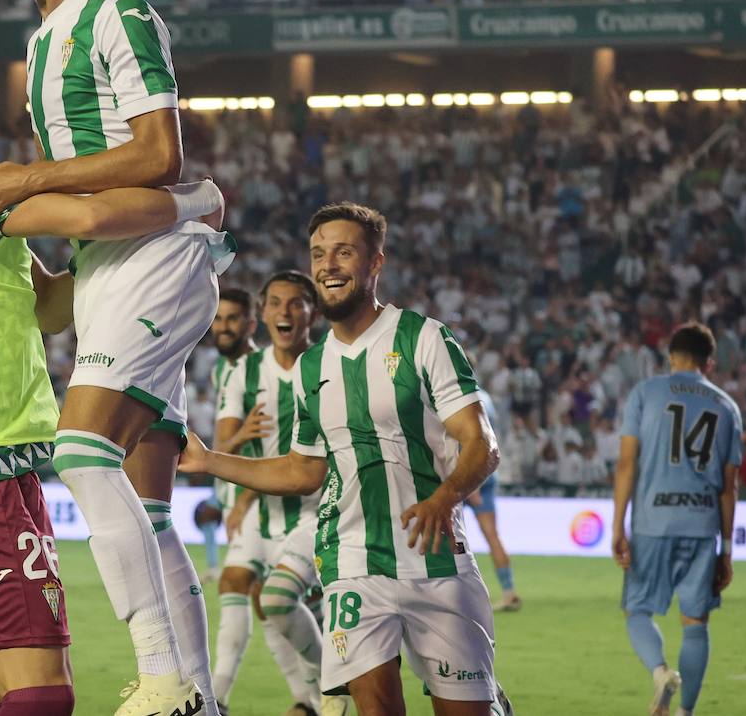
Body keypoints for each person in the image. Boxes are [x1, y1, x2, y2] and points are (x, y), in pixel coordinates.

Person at [0, 58, 224, 716]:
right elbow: (88, 219)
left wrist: (111, 274)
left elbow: (52, 306)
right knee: (43, 697)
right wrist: (197, 202)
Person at [0, 0, 232, 716]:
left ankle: (162, 675)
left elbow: (163, 155)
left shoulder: (115, 14)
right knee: (147, 504)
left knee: (80, 450)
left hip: (155, 261)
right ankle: (199, 691)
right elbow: (95, 180)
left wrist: (30, 178)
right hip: (111, 268)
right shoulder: (45, 40)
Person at [180, 202, 504, 716]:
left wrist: (444, 497)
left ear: (375, 263)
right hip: (351, 562)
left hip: (437, 560)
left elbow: (481, 443)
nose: (328, 264)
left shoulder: (424, 338)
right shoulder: (312, 367)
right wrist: (209, 461)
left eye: (344, 252)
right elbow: (302, 470)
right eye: (318, 253)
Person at [613, 322, 742, 716]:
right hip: (702, 526)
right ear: (710, 362)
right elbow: (729, 486)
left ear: (670, 356)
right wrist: (727, 549)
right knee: (695, 622)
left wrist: (618, 524)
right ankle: (685, 711)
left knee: (637, 610)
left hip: (653, 520)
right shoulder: (727, 407)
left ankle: (660, 672)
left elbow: (626, 463)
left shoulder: (645, 392)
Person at [213, 272, 326, 715]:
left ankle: (321, 690)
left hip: (314, 511)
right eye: (275, 303)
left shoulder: (327, 364)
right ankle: (221, 697)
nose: (284, 311)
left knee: (277, 602)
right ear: (264, 313)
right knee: (244, 589)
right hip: (260, 508)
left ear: (311, 313)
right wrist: (242, 438)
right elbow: (222, 446)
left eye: (295, 303)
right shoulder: (245, 371)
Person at [200, 289, 260, 578]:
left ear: (251, 324)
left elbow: (270, 444)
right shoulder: (220, 369)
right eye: (218, 319)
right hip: (228, 485)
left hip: (256, 489)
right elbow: (226, 432)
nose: (222, 327)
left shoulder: (263, 371)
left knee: (249, 590)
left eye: (232, 319)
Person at [464, 389, 521, 612]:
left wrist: (472, 484)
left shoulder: (459, 395)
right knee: (492, 536)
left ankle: (451, 597)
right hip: (488, 472)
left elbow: (469, 439)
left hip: (466, 475)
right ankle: (509, 592)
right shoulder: (486, 397)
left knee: (448, 537)